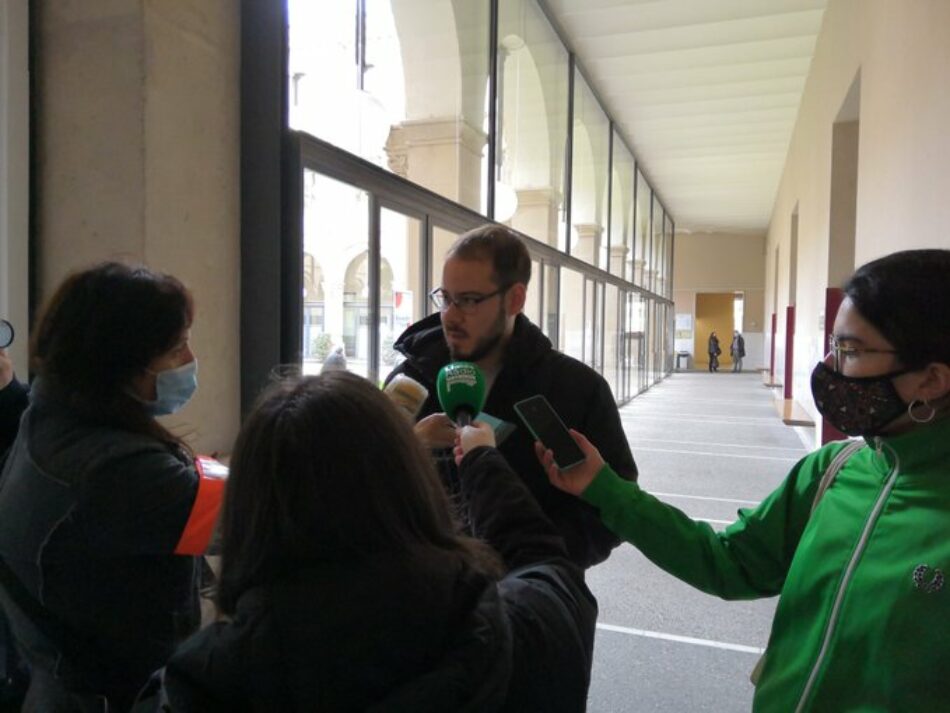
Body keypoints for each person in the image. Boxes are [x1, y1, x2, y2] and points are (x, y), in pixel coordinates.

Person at [538, 248, 950, 710]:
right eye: (833, 346)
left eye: (851, 351)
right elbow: (728, 563)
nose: (831, 369)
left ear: (931, 379)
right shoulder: (831, 471)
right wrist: (604, 487)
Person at [160, 372, 597, 712]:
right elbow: (544, 560)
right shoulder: (525, 628)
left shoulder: (204, 681)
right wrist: (482, 459)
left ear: (249, 509)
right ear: (412, 483)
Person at [0, 262, 225, 711]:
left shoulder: (50, 416)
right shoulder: (114, 472)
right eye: (176, 347)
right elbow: (253, 517)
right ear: (119, 361)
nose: (189, 361)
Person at [386, 224, 637, 568]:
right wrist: (408, 446)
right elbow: (371, 487)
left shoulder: (575, 391)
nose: (450, 315)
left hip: (527, 598)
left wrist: (537, 561)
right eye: (445, 297)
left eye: (469, 300)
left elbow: (610, 512)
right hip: (427, 596)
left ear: (515, 299)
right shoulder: (410, 383)